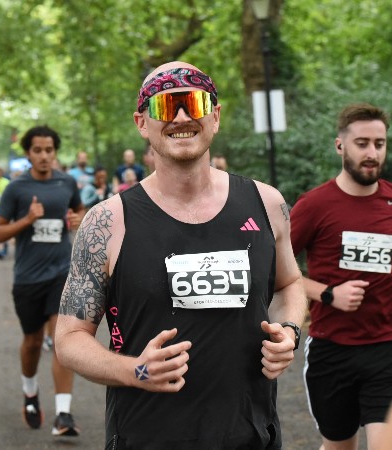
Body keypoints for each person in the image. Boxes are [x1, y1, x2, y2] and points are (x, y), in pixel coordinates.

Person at [55, 61, 307, 449]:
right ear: (142, 123)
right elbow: (70, 338)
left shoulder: (267, 203)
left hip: (252, 433)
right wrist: (134, 370)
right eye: (165, 106)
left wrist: (288, 331)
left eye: (194, 102)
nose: (182, 117)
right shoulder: (108, 221)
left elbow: (289, 284)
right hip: (147, 436)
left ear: (215, 116)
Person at [290, 103, 392, 450]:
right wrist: (328, 294)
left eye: (379, 144)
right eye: (362, 143)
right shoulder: (314, 205)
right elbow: (274, 269)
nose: (372, 153)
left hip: (385, 349)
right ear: (340, 146)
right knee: (339, 447)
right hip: (332, 350)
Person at [0, 125, 85, 437]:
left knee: (61, 340)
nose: (44, 156)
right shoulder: (15, 189)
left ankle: (63, 414)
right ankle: (30, 393)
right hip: (28, 278)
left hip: (62, 273)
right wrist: (28, 220)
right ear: (28, 154)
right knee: (32, 343)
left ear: (55, 152)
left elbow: (79, 211)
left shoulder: (66, 182)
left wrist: (79, 218)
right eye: (37, 150)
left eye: (49, 150)